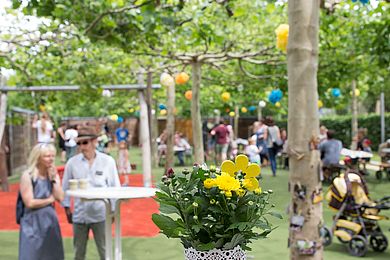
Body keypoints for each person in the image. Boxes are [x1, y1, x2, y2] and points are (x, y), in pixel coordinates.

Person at [62, 126, 121, 260]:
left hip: (101, 215)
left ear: (95, 142)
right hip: (79, 215)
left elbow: (114, 187)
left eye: (85, 142)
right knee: (78, 253)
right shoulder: (72, 163)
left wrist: (113, 211)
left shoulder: (107, 161)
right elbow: (65, 187)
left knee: (105, 251)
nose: (82, 146)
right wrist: (66, 208)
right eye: (79, 143)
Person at [19, 143, 64, 260]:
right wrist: (49, 200)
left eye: (52, 156)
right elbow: (29, 203)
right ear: (38, 157)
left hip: (50, 221)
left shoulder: (52, 174)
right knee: (31, 255)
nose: (51, 159)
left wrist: (54, 180)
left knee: (52, 255)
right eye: (47, 156)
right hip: (32, 222)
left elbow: (60, 197)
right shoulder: (28, 176)